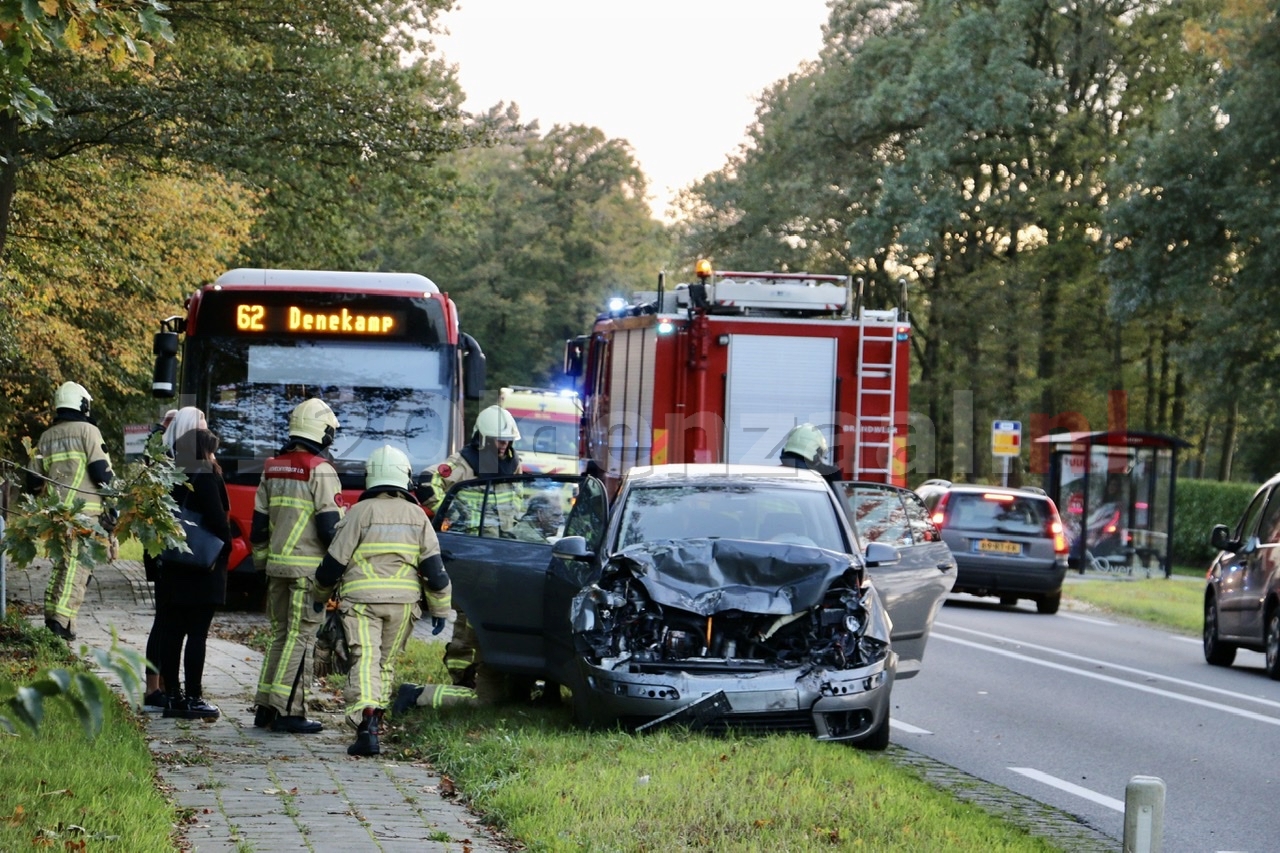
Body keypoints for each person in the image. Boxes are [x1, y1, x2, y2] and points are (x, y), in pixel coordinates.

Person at [312, 446, 452, 756]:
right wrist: (441, 609)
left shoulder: (360, 513)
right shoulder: (418, 516)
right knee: (385, 664)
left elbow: (333, 564)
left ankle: (366, 724)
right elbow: (435, 571)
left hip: (361, 602)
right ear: (405, 478)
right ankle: (376, 722)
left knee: (365, 659)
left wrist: (319, 597)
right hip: (403, 606)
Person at [250, 398, 343, 734]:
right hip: (308, 572)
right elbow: (331, 530)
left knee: (279, 636)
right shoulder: (321, 470)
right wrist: (338, 572)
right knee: (301, 638)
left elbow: (258, 526)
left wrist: (263, 565)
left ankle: (265, 707)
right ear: (323, 433)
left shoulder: (272, 467)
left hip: (276, 568)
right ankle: (290, 711)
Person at [414, 404, 523, 689]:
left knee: (497, 616)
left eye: (507, 440)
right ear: (483, 439)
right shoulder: (463, 463)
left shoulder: (513, 464)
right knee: (468, 620)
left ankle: (495, 673)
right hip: (474, 555)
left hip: (504, 555)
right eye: (499, 440)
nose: (504, 446)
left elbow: (519, 502)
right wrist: (448, 515)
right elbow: (427, 482)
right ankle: (462, 678)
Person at [25, 381, 115, 641]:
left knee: (61, 567)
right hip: (84, 515)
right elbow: (102, 474)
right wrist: (114, 508)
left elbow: (33, 482)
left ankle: (54, 616)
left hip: (56, 515)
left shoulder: (46, 436)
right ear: (83, 404)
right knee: (78, 569)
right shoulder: (89, 431)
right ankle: (60, 624)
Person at [153, 427, 231, 720]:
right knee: (197, 633)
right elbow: (217, 520)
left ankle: (172, 696)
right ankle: (194, 696)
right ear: (204, 451)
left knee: (173, 632)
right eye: (211, 450)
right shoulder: (206, 476)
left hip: (173, 564)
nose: (214, 455)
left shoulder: (170, 476)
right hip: (201, 566)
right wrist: (225, 549)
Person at [143, 406, 205, 710]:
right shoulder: (174, 461)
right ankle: (157, 689)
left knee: (166, 622)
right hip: (167, 550)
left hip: (162, 549)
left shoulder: (163, 457)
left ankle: (163, 688)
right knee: (165, 623)